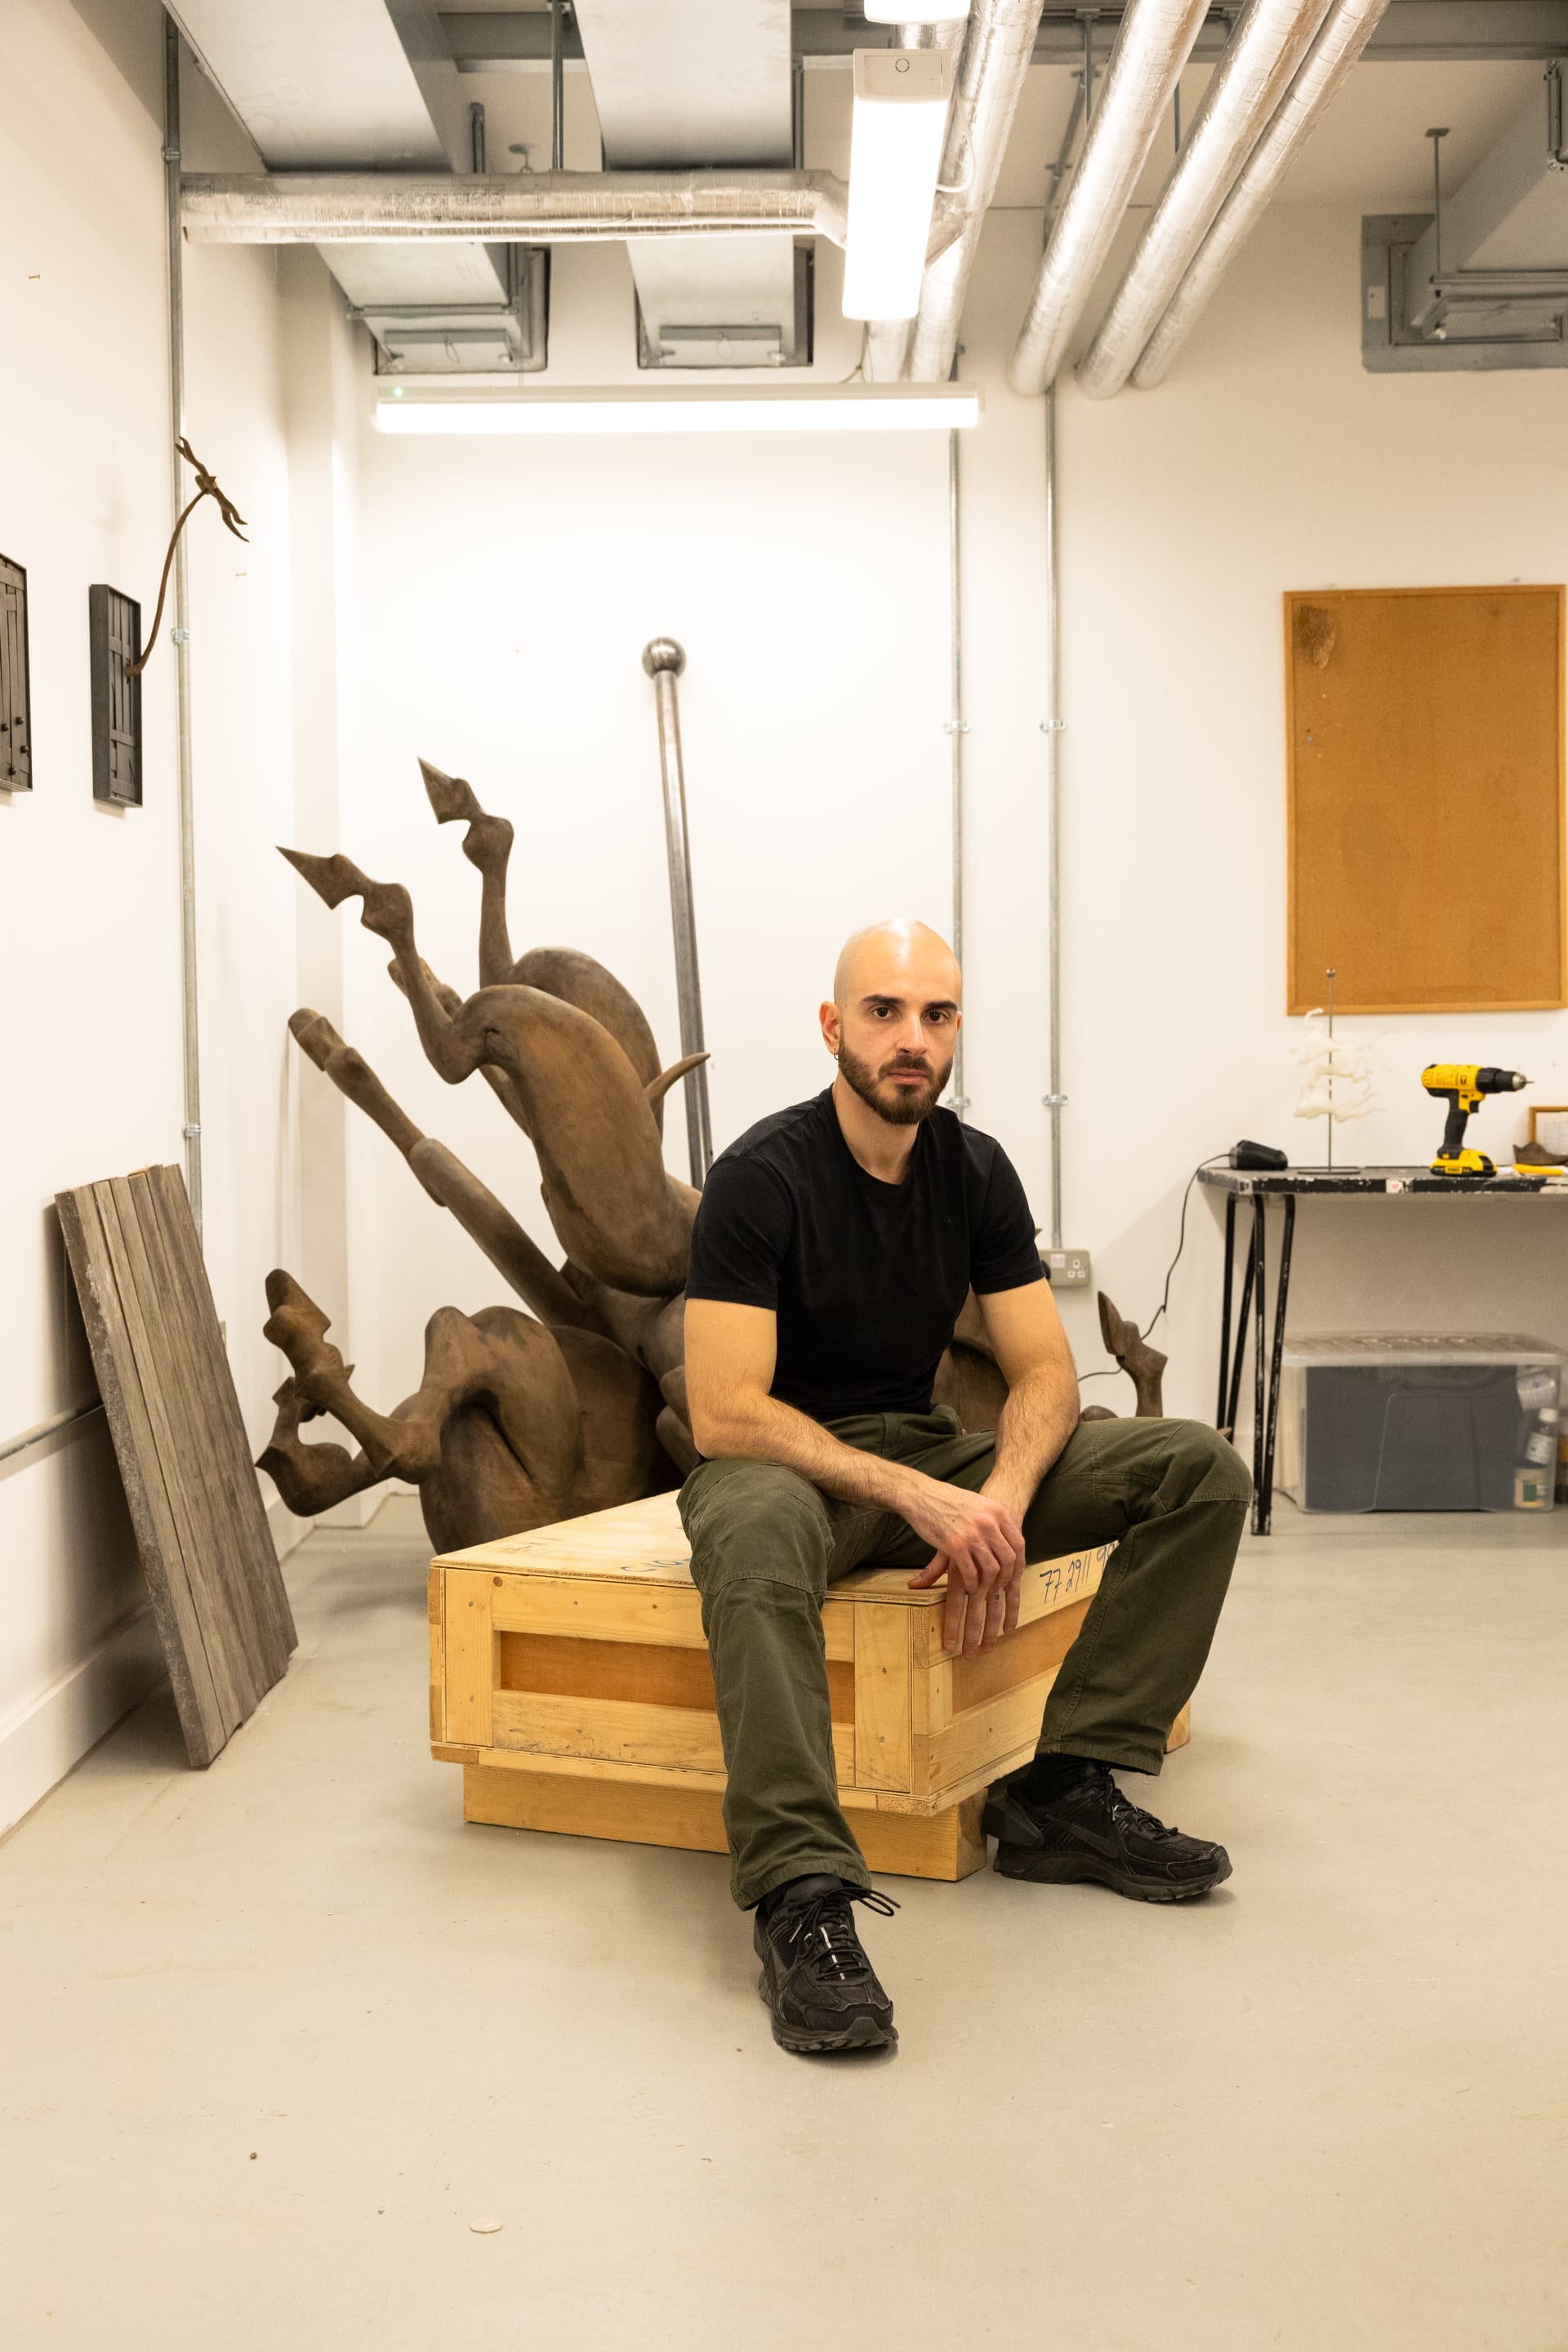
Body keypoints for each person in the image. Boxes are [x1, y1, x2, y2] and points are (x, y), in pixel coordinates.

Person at [680, 921, 1251, 2056]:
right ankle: (802, 1898)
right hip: (792, 1463)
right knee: (748, 1540)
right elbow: (725, 1411)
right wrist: (922, 1495)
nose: (913, 1040)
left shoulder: (975, 1168)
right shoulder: (761, 1175)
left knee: (1199, 1472)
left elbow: (1044, 1369)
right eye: (886, 1012)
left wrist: (995, 1494)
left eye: (937, 1016)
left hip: (933, 1449)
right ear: (834, 1027)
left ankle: (1061, 1791)